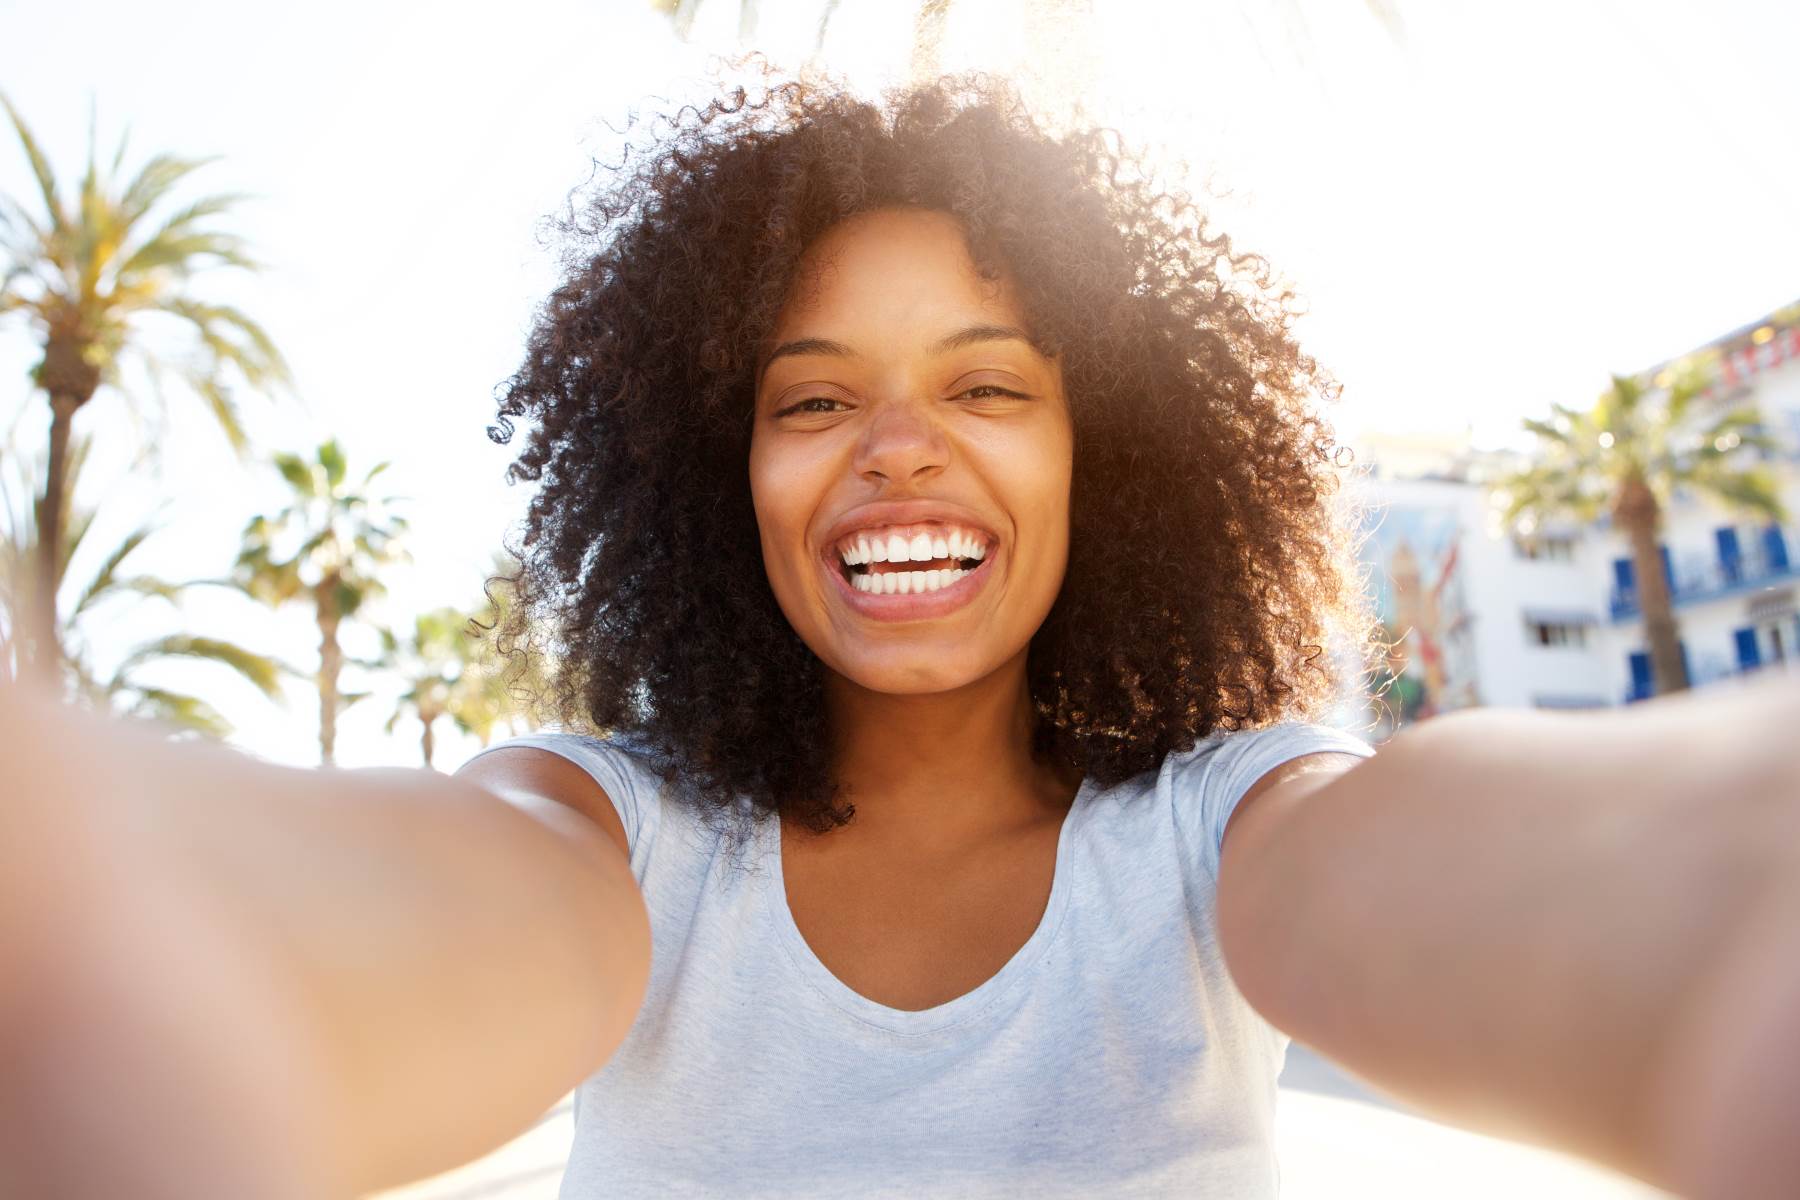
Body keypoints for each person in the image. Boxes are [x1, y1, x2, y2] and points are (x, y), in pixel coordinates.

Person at [3, 72, 1798, 1200]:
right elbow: (342, 927)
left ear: (1122, 454)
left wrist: (1724, 906)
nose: (900, 449)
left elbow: (1469, 870)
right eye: (811, 399)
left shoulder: (1217, 827)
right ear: (723, 479)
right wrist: (131, 913)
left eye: (989, 383)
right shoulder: (616, 840)